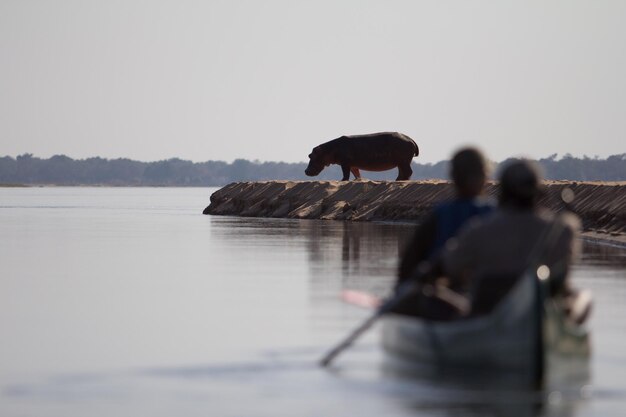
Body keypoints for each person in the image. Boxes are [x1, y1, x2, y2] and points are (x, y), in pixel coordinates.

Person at [441, 159, 582, 315]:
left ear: (502, 193)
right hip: (538, 313)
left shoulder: (478, 229)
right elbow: (563, 276)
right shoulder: (562, 230)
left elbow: (450, 266)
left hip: (487, 316)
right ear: (538, 193)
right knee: (581, 298)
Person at [396, 147, 495, 291]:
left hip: (446, 295)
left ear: (453, 176)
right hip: (486, 295)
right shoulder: (497, 214)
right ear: (485, 175)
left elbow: (407, 269)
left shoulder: (438, 215)